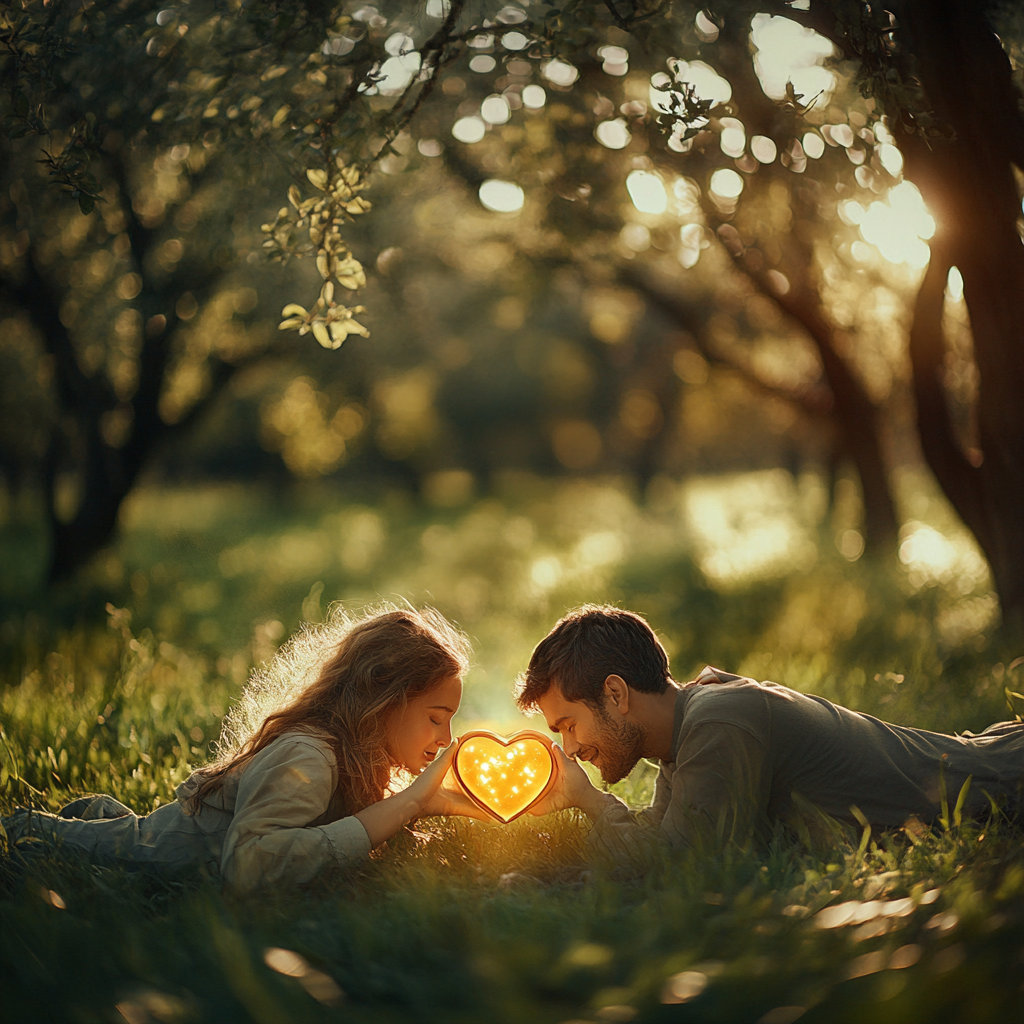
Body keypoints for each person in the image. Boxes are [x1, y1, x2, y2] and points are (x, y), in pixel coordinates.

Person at [2, 606, 488, 889]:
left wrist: (431, 806)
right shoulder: (310, 757)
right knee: (67, 843)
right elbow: (248, 864)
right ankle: (32, 826)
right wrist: (408, 804)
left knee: (126, 827)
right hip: (158, 860)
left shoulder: (365, 759)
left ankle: (101, 814)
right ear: (383, 699)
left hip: (185, 839)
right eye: (434, 718)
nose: (445, 739)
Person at [516, 605, 1024, 868]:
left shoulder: (721, 722)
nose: (570, 748)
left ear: (616, 693)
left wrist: (593, 802)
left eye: (568, 725)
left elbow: (685, 865)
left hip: (1008, 780)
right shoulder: (684, 733)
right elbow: (658, 840)